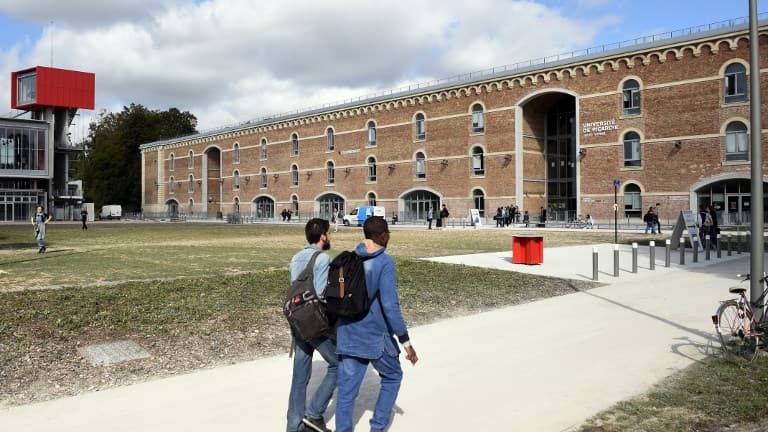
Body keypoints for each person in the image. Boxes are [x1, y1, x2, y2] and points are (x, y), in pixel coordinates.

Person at [335, 217, 418, 432]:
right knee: (393, 376)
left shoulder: (348, 260)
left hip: (346, 332)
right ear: (382, 236)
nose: (389, 236)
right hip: (373, 337)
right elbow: (390, 306)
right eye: (388, 233)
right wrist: (405, 341)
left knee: (346, 391)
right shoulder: (385, 262)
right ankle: (378, 427)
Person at [286, 218, 337, 432]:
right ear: (323, 236)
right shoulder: (322, 258)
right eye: (328, 233)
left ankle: (293, 426)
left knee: (300, 375)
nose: (329, 237)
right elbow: (321, 295)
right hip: (314, 323)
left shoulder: (296, 257)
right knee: (338, 364)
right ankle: (314, 414)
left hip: (296, 320)